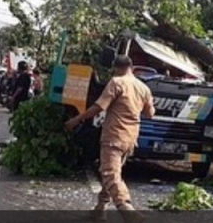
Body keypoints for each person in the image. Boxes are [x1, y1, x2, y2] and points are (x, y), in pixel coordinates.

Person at [65, 55, 154, 222]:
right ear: (131, 67)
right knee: (113, 173)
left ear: (115, 68)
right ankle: (100, 208)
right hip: (130, 137)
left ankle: (126, 208)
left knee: (110, 173)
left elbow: (99, 107)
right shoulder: (143, 87)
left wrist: (76, 119)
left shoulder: (116, 82)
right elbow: (150, 113)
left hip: (114, 135)